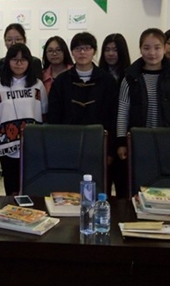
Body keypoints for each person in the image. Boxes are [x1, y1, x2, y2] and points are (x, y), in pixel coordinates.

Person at [48, 32, 118, 192]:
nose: (82, 52)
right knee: (68, 190)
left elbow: (113, 117)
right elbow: (54, 118)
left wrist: (110, 150)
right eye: (78, 49)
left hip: (99, 145)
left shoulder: (107, 81)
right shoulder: (61, 81)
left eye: (87, 48)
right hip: (68, 145)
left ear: (94, 51)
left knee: (100, 189)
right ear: (72, 52)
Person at [116, 28, 170, 164]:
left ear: (164, 49)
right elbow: (123, 112)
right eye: (146, 48)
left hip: (169, 140)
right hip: (139, 140)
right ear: (140, 49)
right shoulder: (130, 77)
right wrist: (121, 142)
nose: (152, 53)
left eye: (157, 48)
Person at [0, 44, 48, 194]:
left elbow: (44, 114)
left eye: (23, 60)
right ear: (8, 61)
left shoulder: (37, 85)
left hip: (31, 144)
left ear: (29, 62)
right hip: (6, 145)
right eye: (14, 59)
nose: (19, 63)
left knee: (32, 186)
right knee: (12, 188)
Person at [98, 33, 131, 195]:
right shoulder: (98, 76)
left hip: (124, 136)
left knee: (123, 187)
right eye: (107, 50)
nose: (110, 54)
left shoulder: (131, 76)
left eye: (115, 50)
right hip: (103, 135)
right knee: (102, 186)